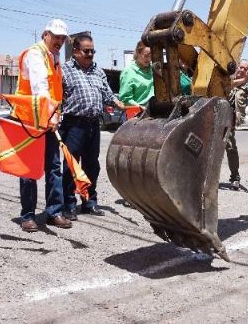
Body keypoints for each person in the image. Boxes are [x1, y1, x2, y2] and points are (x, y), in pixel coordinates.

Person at [14, 19, 72, 232]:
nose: (59, 41)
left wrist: (54, 115)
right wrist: (50, 115)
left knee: (54, 167)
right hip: (30, 120)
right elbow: (40, 88)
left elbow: (55, 92)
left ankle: (54, 212)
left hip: (48, 119)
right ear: (45, 34)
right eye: (56, 36)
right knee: (29, 168)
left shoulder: (53, 57)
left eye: (62, 38)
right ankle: (27, 216)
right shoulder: (35, 54)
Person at [60, 34, 124, 217]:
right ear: (75, 51)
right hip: (73, 125)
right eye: (86, 51)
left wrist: (117, 102)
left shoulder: (98, 71)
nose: (90, 54)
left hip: (93, 125)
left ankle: (89, 201)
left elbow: (107, 94)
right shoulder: (64, 70)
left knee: (91, 166)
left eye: (92, 51)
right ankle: (68, 205)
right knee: (71, 167)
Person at [225, 59, 248, 191]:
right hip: (215, 119)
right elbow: (229, 84)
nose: (242, 70)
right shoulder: (227, 77)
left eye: (245, 69)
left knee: (231, 149)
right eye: (240, 67)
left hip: (228, 123)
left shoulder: (244, 85)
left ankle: (235, 178)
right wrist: (245, 79)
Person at [119, 41, 154, 107]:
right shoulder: (128, 71)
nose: (149, 59)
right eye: (146, 56)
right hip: (138, 111)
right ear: (138, 53)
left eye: (151, 56)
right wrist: (140, 107)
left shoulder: (153, 70)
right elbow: (125, 99)